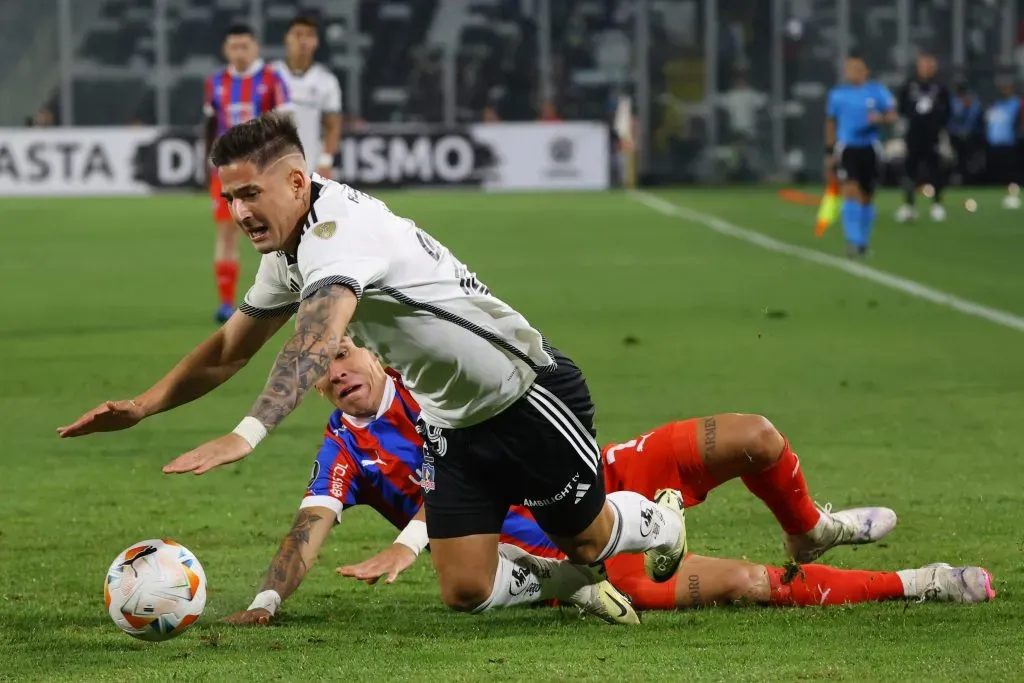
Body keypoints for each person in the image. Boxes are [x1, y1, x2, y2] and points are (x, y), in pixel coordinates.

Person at [57, 112, 685, 626]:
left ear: (297, 183)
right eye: (230, 197)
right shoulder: (288, 252)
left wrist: (244, 433)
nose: (241, 211)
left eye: (251, 193)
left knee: (589, 537)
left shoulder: (340, 230)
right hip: (450, 419)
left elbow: (317, 337)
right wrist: (142, 405)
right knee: (465, 588)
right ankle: (572, 584)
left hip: (524, 392)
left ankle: (660, 519)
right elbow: (229, 349)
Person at [222, 342, 993, 625]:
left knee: (757, 435)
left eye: (342, 356)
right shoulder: (344, 453)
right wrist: (264, 602)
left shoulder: (429, 373)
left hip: (604, 472)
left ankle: (811, 525)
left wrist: (409, 540)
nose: (338, 375)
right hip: (578, 551)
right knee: (756, 584)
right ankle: (922, 582)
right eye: (320, 373)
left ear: (364, 347)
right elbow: (307, 528)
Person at [203, 24, 293, 324]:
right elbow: (211, 124)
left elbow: (284, 124)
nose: (239, 52)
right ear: (226, 50)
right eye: (234, 46)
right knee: (227, 233)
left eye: (245, 46)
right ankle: (226, 303)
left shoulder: (271, 79)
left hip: (262, 170)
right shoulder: (216, 82)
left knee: (278, 229)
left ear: (255, 48)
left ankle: (288, 292)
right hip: (226, 172)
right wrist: (208, 162)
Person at [825, 55, 897, 259]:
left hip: (870, 149)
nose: (852, 72)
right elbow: (830, 123)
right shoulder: (838, 94)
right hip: (848, 148)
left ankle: (863, 242)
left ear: (866, 71)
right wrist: (829, 151)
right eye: (849, 68)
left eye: (857, 68)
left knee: (867, 196)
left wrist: (881, 119)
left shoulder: (877, 91)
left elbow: (892, 116)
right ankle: (853, 241)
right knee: (850, 190)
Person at [272, 15, 342, 179]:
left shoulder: (326, 81)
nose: (303, 41)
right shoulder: (270, 76)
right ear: (286, 39)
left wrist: (326, 160)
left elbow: (332, 125)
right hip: (272, 164)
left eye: (309, 35)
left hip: (311, 165)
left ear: (316, 42)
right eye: (297, 35)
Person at [895, 52, 952, 223]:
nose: (926, 68)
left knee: (935, 169)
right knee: (910, 169)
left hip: (933, 135)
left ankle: (937, 205)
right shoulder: (909, 85)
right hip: (913, 134)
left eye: (930, 65)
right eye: (923, 64)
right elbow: (901, 107)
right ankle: (909, 206)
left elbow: (948, 109)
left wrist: (938, 123)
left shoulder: (940, 87)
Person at [984, 75, 1024, 209]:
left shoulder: (1017, 103)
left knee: (1011, 172)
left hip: (1010, 143)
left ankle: (1012, 195)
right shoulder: (996, 104)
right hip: (995, 144)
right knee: (997, 173)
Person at [948, 80, 983, 185]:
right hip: (955, 136)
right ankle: (958, 179)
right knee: (957, 159)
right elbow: (951, 118)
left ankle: (970, 180)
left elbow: (975, 118)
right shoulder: (953, 102)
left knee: (970, 160)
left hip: (970, 136)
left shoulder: (973, 102)